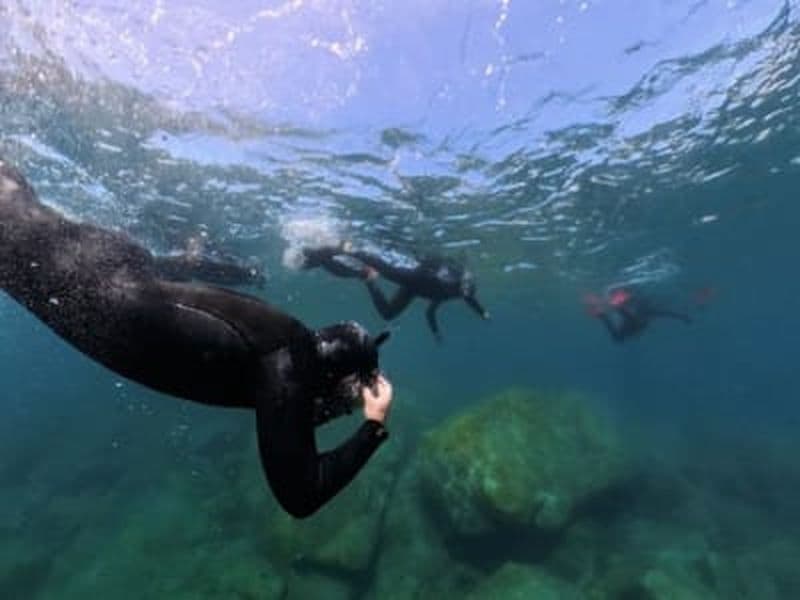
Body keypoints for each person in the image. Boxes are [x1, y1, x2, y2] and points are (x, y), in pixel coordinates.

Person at [0, 159, 393, 518]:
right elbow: (300, 496)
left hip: (113, 271)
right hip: (92, 285)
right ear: (339, 378)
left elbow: (297, 417)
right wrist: (372, 427)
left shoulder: (279, 355)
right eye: (348, 400)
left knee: (19, 218)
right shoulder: (287, 359)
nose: (341, 410)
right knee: (15, 227)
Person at [299, 243, 490, 341]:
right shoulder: (453, 278)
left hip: (412, 288)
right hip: (412, 279)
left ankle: (367, 279)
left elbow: (430, 312)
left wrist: (436, 332)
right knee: (380, 265)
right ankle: (340, 248)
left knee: (388, 314)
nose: (464, 291)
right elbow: (437, 263)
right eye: (465, 287)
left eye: (466, 293)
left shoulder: (455, 294)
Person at [584, 286, 692, 343]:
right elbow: (667, 313)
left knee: (619, 337)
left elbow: (667, 313)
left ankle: (603, 314)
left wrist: (682, 317)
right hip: (632, 323)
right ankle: (604, 313)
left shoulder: (649, 309)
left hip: (637, 325)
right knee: (618, 337)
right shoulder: (639, 306)